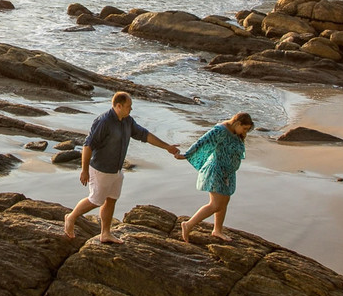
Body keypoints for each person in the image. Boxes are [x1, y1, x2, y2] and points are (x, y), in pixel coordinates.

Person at [63, 91, 180, 244]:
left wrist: (167, 147)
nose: (130, 109)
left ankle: (105, 233)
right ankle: (71, 217)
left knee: (111, 200)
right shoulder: (103, 122)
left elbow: (145, 135)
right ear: (118, 106)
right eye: (128, 106)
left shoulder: (127, 121)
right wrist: (84, 170)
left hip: (116, 170)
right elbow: (87, 146)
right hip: (100, 169)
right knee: (95, 200)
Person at [177, 112, 254, 243]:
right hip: (216, 171)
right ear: (236, 123)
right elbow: (202, 141)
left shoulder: (235, 132)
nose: (245, 132)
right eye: (244, 128)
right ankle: (188, 224)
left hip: (227, 173)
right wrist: (186, 155)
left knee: (224, 201)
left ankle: (217, 230)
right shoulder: (220, 131)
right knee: (215, 204)